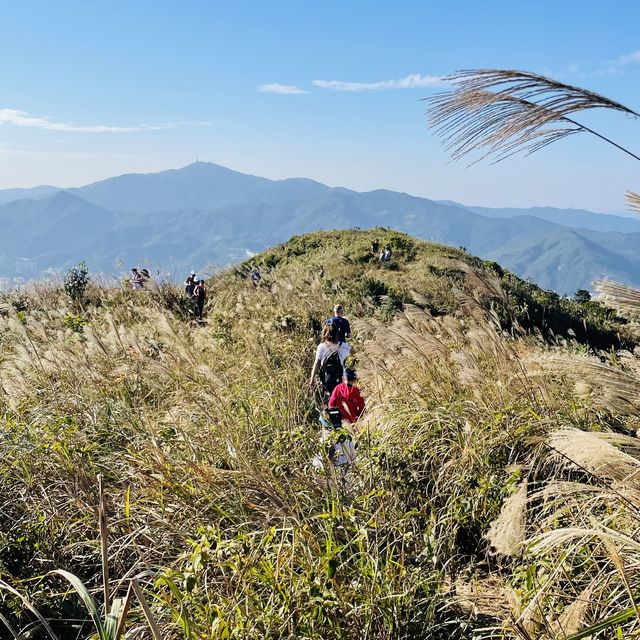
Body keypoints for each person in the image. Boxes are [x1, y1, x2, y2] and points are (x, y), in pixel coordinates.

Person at [309, 322, 351, 395]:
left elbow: (317, 363)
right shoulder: (344, 346)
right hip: (340, 380)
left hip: (326, 380)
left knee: (328, 400)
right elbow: (358, 354)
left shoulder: (321, 347)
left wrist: (312, 380)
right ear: (337, 334)